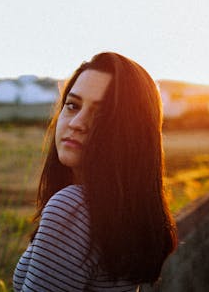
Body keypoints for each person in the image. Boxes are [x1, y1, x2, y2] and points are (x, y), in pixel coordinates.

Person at [13, 52, 177, 291]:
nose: (77, 122)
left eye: (101, 114)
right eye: (72, 105)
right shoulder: (128, 210)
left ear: (130, 133)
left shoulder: (73, 208)